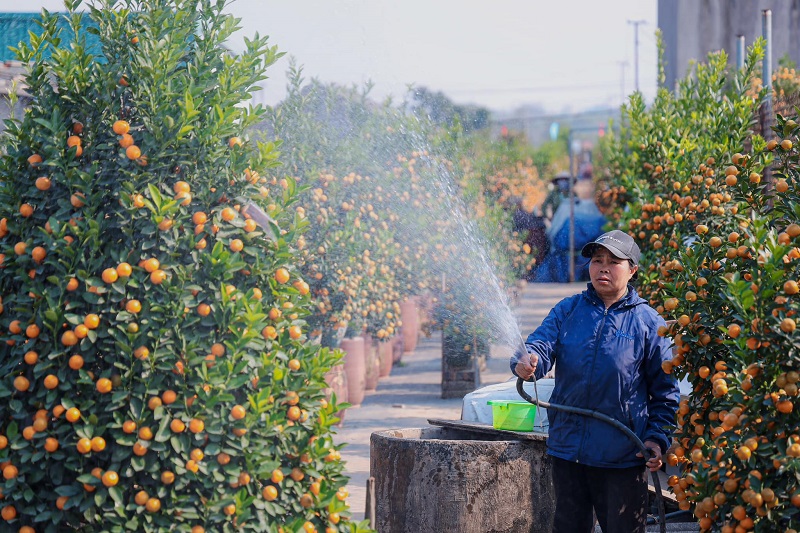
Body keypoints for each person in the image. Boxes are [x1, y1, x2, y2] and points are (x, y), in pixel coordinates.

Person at [510, 229, 680, 533]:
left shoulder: (648, 323)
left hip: (622, 458)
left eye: (614, 261)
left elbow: (666, 394)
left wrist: (656, 439)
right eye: (597, 259)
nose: (603, 267)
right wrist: (528, 362)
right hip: (568, 452)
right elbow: (540, 347)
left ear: (632, 271)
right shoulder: (569, 310)